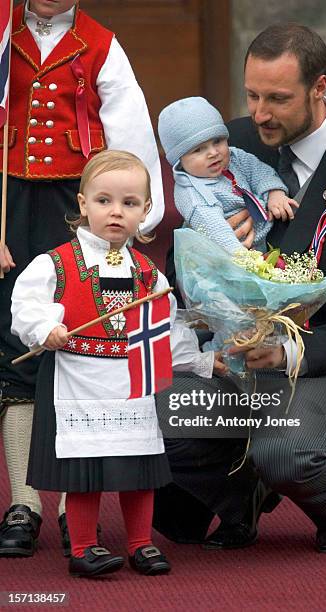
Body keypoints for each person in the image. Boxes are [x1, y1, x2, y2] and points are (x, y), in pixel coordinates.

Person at [155, 23, 326, 553]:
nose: (259, 113)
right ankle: (238, 497)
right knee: (149, 417)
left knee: (286, 451)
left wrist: (285, 350)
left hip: (318, 366)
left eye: (277, 98)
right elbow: (181, 265)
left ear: (320, 87)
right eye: (251, 95)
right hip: (228, 351)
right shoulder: (230, 143)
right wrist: (211, 256)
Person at [0, 0, 164, 558]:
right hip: (5, 200)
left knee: (83, 348)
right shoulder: (1, 26)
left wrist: (143, 210)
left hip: (74, 201)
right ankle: (24, 500)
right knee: (12, 348)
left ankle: (77, 507)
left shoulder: (101, 44)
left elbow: (131, 130)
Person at [10, 150, 220, 577]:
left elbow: (166, 331)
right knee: (85, 469)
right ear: (83, 203)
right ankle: (84, 548)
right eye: (104, 200)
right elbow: (25, 305)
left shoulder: (149, 274)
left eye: (129, 203)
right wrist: (45, 328)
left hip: (130, 382)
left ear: (145, 211)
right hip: (77, 381)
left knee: (139, 466)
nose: (115, 212)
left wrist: (202, 361)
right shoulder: (54, 264)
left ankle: (141, 544)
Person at [158, 96, 298, 254]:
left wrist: (275, 193)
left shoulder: (234, 157)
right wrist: (243, 259)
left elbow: (260, 172)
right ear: (180, 160)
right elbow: (216, 231)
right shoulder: (192, 193)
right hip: (227, 260)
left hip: (264, 242)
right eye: (198, 149)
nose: (213, 152)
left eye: (217, 141)